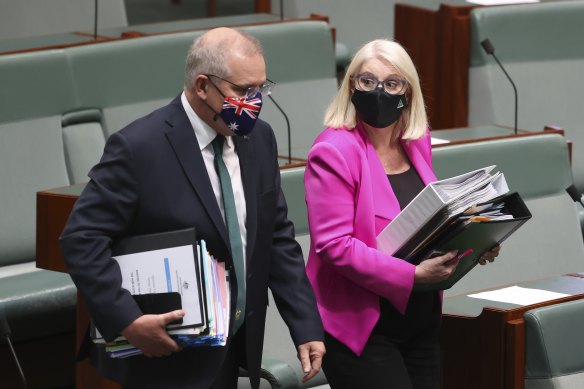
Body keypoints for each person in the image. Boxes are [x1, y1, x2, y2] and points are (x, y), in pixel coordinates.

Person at [60, 27, 325, 389]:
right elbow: (81, 238)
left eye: (261, 88)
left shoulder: (259, 139)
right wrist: (127, 320)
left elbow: (276, 236)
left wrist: (305, 324)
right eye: (243, 91)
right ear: (202, 86)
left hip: (232, 345)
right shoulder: (139, 147)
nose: (256, 101)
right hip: (164, 354)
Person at [303, 39, 500, 389]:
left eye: (392, 83)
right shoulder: (333, 152)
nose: (378, 91)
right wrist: (411, 276)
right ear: (351, 85)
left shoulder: (416, 139)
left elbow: (426, 222)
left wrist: (475, 242)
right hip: (363, 327)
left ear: (408, 92)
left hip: (419, 319)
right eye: (367, 81)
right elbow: (334, 246)